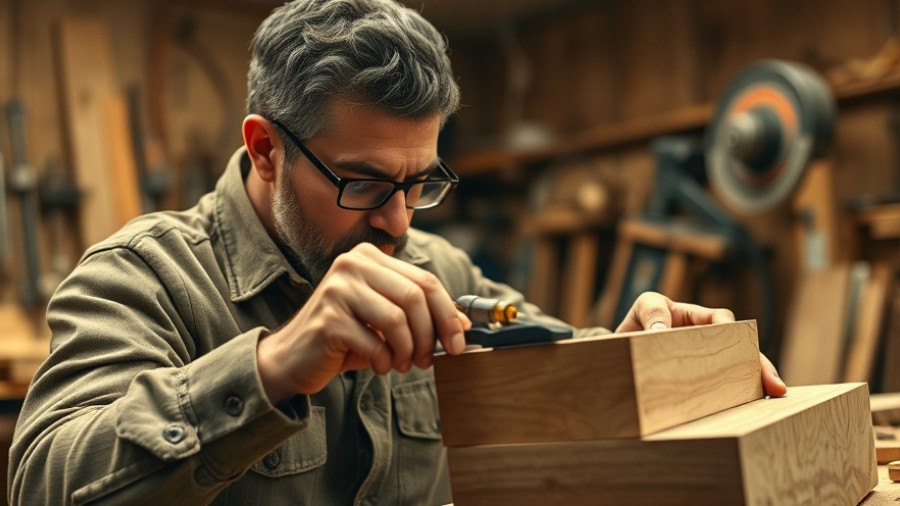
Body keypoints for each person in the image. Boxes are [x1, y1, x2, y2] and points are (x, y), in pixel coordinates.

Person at [7, 0, 786, 504]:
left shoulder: (439, 270)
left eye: (421, 182)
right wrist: (273, 368)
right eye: (365, 182)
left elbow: (549, 371)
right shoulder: (141, 278)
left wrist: (636, 353)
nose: (398, 222)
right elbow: (45, 484)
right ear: (266, 148)